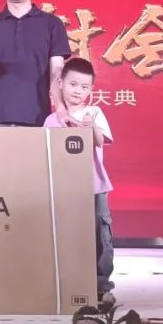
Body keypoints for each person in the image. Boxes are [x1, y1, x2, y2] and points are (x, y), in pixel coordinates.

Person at [43, 57, 115, 300]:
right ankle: (66, 284)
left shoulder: (94, 112)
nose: (78, 91)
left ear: (91, 90)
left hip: (94, 185)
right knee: (66, 235)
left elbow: (100, 142)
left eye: (84, 87)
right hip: (63, 189)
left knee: (100, 236)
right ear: (60, 84)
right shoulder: (51, 120)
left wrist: (90, 127)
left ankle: (102, 287)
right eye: (73, 84)